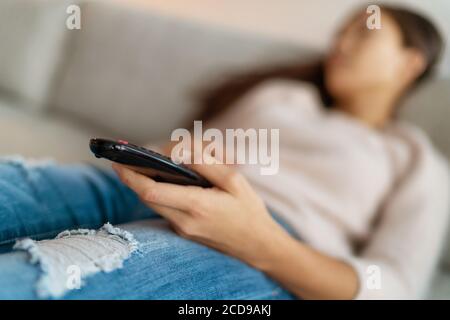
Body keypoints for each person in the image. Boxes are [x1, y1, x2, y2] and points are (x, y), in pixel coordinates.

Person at [0, 5, 448, 299]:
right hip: (164, 184)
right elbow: (197, 144)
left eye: (363, 36)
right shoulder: (281, 94)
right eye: (341, 33)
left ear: (411, 64)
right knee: (22, 189)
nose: (341, 45)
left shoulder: (415, 161)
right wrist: (165, 153)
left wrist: (265, 246)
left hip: (269, 240)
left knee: (49, 276)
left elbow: (395, 286)